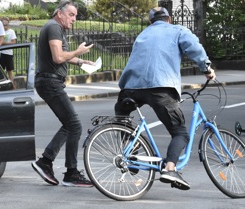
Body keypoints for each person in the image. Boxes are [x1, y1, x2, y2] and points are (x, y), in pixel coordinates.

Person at [114, 7, 216, 190]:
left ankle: (131, 152)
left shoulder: (143, 34)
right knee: (180, 133)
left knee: (123, 117)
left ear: (151, 21)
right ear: (169, 18)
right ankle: (170, 169)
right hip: (160, 87)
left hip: (130, 88)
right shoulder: (177, 30)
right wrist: (206, 69)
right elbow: (195, 49)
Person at [31, 0, 95, 187]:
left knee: (70, 125)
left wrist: (81, 61)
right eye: (71, 14)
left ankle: (47, 162)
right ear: (60, 13)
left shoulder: (55, 28)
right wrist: (78, 50)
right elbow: (58, 57)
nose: (74, 19)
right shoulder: (54, 27)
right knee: (74, 125)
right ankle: (69, 172)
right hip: (49, 82)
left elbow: (62, 57)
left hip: (50, 82)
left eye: (75, 15)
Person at [0, 17, 16, 84]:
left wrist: (3, 43)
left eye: (6, 24)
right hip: (1, 53)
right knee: (0, 70)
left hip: (8, 53)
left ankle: (12, 83)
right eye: (3, 24)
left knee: (10, 70)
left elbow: (14, 42)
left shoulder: (11, 32)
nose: (5, 26)